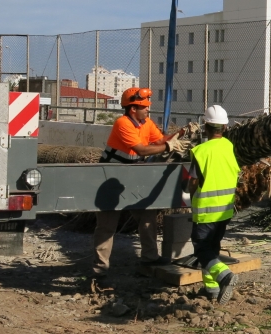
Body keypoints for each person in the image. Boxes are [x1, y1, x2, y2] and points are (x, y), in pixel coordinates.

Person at [93, 87, 184, 278]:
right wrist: (167, 146)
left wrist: (180, 134)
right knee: (107, 224)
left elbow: (160, 140)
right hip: (111, 177)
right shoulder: (123, 123)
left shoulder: (146, 123)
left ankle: (150, 257)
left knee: (147, 214)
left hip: (133, 175)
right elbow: (142, 150)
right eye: (143, 107)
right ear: (132, 109)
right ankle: (100, 269)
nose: (147, 110)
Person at [187, 105, 241, 303]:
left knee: (201, 249)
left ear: (205, 127)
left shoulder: (201, 151)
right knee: (212, 249)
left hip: (206, 210)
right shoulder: (228, 146)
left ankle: (225, 276)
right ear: (225, 127)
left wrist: (188, 197)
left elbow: (193, 181)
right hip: (224, 211)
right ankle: (212, 289)